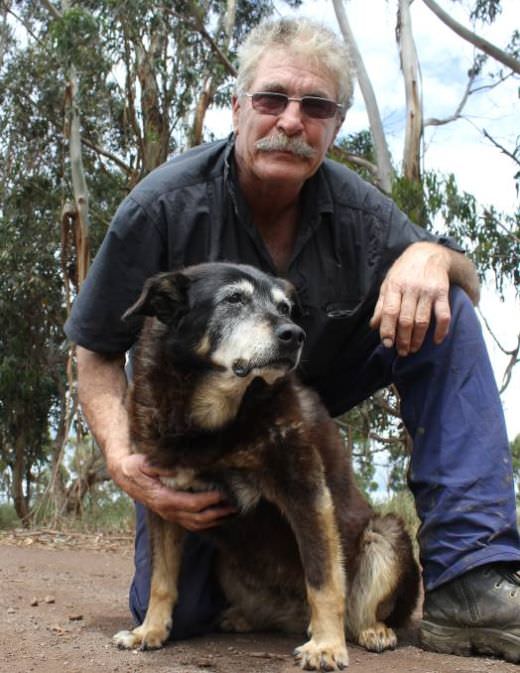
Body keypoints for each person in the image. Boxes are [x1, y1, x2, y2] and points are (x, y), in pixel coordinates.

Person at [65, 17, 520, 662]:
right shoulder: (162, 206)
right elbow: (95, 349)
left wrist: (434, 256)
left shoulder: (360, 212)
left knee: (445, 308)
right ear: (237, 107)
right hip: (201, 419)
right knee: (183, 613)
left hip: (309, 392)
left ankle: (473, 574)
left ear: (335, 126)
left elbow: (463, 276)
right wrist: (123, 459)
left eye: (315, 107)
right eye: (272, 98)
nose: (290, 121)